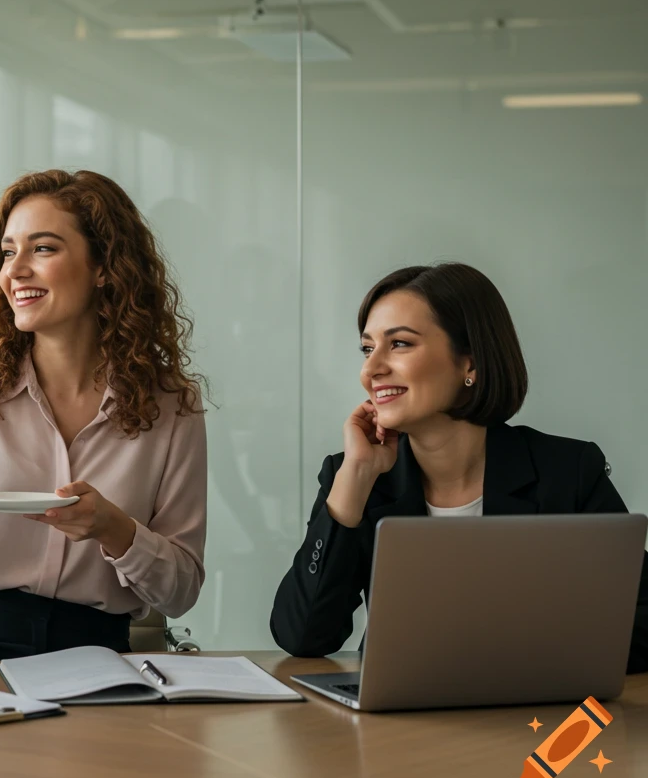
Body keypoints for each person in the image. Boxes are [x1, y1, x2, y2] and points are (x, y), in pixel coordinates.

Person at [0, 169, 207, 670]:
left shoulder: (172, 405)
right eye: (8, 252)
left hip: (97, 651)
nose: (15, 270)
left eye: (43, 249)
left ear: (104, 267)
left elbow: (179, 592)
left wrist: (114, 528)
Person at [270, 262, 648, 673]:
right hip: (397, 723)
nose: (370, 368)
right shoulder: (356, 475)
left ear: (470, 363)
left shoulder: (567, 471)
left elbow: (640, 624)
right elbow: (303, 638)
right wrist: (353, 485)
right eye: (367, 348)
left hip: (537, 722)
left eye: (399, 344)